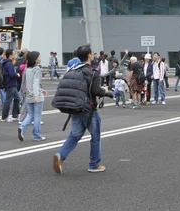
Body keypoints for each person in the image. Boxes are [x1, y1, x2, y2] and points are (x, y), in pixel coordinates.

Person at [52, 44, 114, 174]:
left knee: (75, 134)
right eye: (92, 53)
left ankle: (60, 155)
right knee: (95, 136)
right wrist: (106, 92)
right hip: (88, 109)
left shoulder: (74, 69)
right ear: (89, 55)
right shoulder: (92, 72)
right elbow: (95, 90)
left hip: (75, 107)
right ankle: (94, 164)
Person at [18, 51, 48, 142]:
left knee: (30, 114)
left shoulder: (27, 69)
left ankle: (22, 128)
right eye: (39, 57)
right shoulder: (37, 69)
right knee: (37, 116)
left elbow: (27, 83)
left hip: (28, 95)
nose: (40, 58)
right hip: (36, 96)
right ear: (35, 59)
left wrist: (41, 90)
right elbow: (35, 83)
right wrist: (37, 95)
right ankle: (37, 135)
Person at [0, 49, 20, 122]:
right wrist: (17, 75)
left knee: (17, 98)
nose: (15, 55)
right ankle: (4, 116)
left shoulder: (6, 62)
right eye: (14, 53)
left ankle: (15, 115)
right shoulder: (9, 64)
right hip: (11, 84)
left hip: (10, 83)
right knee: (9, 100)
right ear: (10, 55)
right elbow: (12, 74)